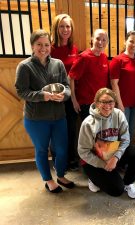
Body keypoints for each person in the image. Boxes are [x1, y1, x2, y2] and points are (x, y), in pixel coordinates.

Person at [15, 29, 75, 193]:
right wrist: (43, 96)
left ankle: (61, 175)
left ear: (50, 46)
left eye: (47, 44)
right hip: (36, 119)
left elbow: (67, 87)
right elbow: (22, 92)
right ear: (33, 46)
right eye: (39, 44)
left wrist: (64, 96)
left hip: (59, 117)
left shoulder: (58, 64)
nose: (43, 48)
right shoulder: (25, 66)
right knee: (42, 149)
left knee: (62, 149)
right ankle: (48, 180)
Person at [78, 88, 135, 198]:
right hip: (94, 159)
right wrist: (104, 165)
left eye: (110, 102)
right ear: (96, 103)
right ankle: (93, 179)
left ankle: (128, 183)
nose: (107, 105)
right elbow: (83, 152)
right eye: (103, 102)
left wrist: (116, 158)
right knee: (117, 191)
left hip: (112, 154)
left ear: (114, 102)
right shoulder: (88, 123)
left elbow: (125, 139)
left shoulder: (119, 115)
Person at [50, 14, 79, 171]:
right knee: (57, 130)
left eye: (68, 26)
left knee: (71, 129)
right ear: (56, 28)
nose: (65, 29)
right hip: (55, 96)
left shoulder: (73, 49)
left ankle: (70, 159)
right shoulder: (51, 48)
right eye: (62, 26)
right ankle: (58, 160)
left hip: (71, 96)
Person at [69, 29, 109, 121]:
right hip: (86, 104)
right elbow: (70, 78)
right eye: (98, 39)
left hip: (101, 103)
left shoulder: (104, 57)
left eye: (104, 40)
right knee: (89, 134)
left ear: (107, 42)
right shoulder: (84, 57)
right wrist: (74, 100)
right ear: (92, 39)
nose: (100, 42)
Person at [110, 31, 135, 139]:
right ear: (125, 42)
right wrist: (119, 104)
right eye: (131, 41)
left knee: (131, 133)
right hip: (123, 104)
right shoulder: (117, 60)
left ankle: (127, 155)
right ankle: (119, 156)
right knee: (122, 134)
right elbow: (114, 84)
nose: (134, 45)